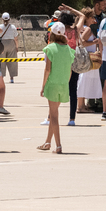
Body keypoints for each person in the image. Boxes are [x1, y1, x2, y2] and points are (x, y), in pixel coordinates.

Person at [38, 21, 74, 153]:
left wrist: (43, 86)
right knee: (53, 113)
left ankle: (58, 145)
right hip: (64, 84)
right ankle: (47, 142)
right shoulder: (69, 50)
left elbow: (47, 70)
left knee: (53, 116)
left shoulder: (50, 49)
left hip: (52, 84)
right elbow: (70, 70)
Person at [0, 13, 21, 83]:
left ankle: (1, 77)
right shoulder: (13, 27)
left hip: (2, 44)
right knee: (12, 61)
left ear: (2, 19)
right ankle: (12, 78)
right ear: (9, 19)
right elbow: (16, 38)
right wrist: (16, 47)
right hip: (11, 44)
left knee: (2, 61)